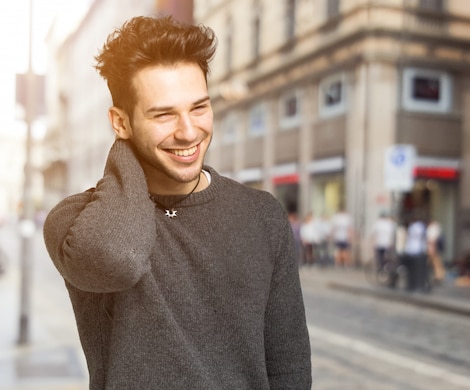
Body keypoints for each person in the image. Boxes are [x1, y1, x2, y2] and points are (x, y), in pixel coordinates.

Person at [42, 16, 311, 389]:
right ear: (120, 123)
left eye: (199, 107)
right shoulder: (75, 222)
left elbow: (289, 367)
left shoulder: (262, 214)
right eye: (163, 114)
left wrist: (148, 136)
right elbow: (115, 259)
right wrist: (128, 150)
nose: (188, 131)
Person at [403, 214, 430, 292]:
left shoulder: (412, 227)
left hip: (411, 251)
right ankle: (417, 285)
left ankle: (412, 285)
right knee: (419, 270)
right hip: (418, 251)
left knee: (412, 270)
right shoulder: (420, 226)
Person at [426, 220, 446, 284]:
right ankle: (438, 276)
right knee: (436, 263)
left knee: (435, 263)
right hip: (434, 249)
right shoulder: (436, 229)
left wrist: (431, 249)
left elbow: (432, 240)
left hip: (432, 249)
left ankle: (438, 276)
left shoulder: (433, 229)